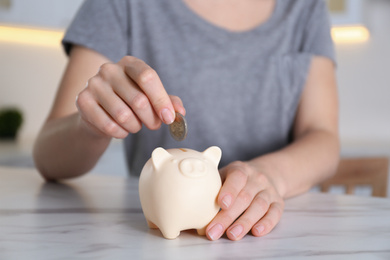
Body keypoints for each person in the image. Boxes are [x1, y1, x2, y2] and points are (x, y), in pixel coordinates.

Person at [33, 0, 339, 241]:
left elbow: (323, 135)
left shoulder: (306, 7)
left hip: (275, 236)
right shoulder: (123, 4)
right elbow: (47, 158)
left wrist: (272, 174)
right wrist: (92, 124)